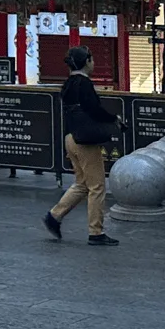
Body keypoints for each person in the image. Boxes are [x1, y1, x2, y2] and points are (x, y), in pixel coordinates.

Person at [45, 45, 120, 246]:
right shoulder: (84, 84)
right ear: (86, 61)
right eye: (92, 59)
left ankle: (54, 216)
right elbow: (94, 110)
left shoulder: (68, 84)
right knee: (97, 186)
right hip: (85, 141)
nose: (94, 63)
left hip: (71, 138)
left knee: (82, 184)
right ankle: (96, 232)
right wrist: (114, 119)